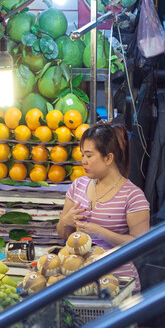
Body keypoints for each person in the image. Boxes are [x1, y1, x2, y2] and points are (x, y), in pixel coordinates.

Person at [57, 121, 150, 291]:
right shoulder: (77, 186)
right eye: (82, 155)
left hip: (120, 283)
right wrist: (66, 221)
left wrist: (99, 232)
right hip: (82, 284)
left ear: (108, 158)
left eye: (89, 155)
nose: (83, 161)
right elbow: (63, 233)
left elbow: (140, 245)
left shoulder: (133, 196)